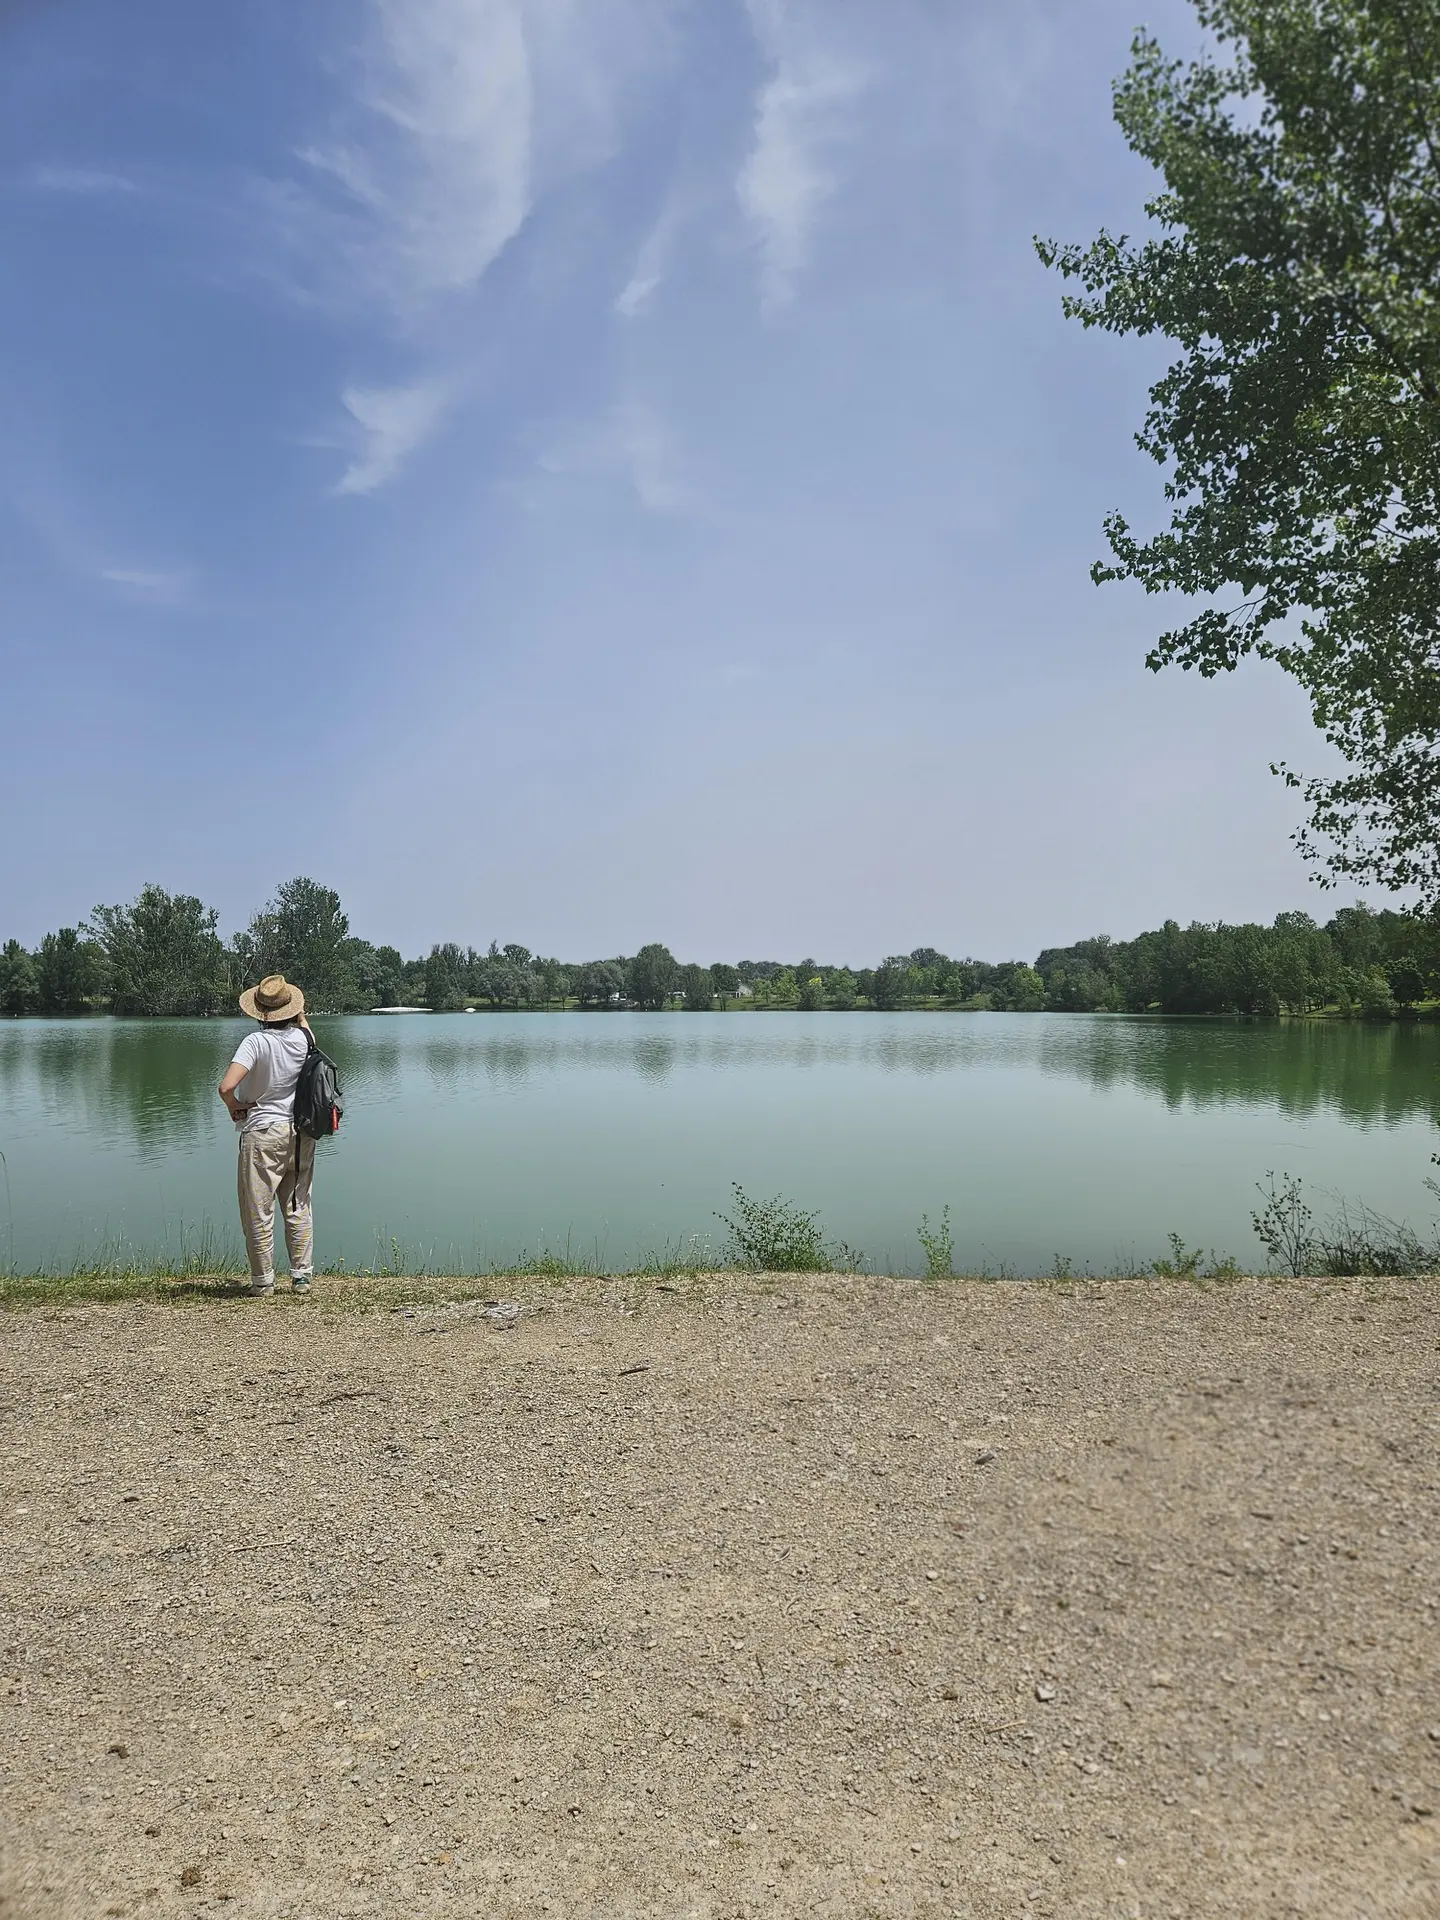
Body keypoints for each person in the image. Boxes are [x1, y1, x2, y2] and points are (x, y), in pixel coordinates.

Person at [218, 974, 316, 1298]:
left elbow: (226, 1086)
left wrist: (236, 1106)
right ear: (292, 1009)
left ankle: (263, 1282)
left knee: (259, 1210)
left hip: (262, 1132)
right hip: (301, 1132)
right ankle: (301, 1278)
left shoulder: (256, 1042)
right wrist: (300, 1015)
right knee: (298, 1203)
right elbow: (308, 1034)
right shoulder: (304, 1040)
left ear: (260, 1013)